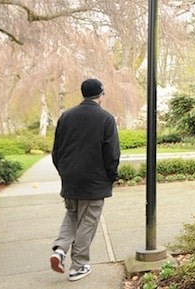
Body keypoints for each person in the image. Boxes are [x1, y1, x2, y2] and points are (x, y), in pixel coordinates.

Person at [49, 78, 121, 282]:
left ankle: (60, 249)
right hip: (94, 181)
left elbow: (56, 151)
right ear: (101, 94)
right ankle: (78, 266)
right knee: (87, 222)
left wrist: (64, 172)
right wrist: (111, 177)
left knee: (72, 215)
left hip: (70, 178)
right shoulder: (106, 119)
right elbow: (112, 153)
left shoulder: (66, 117)